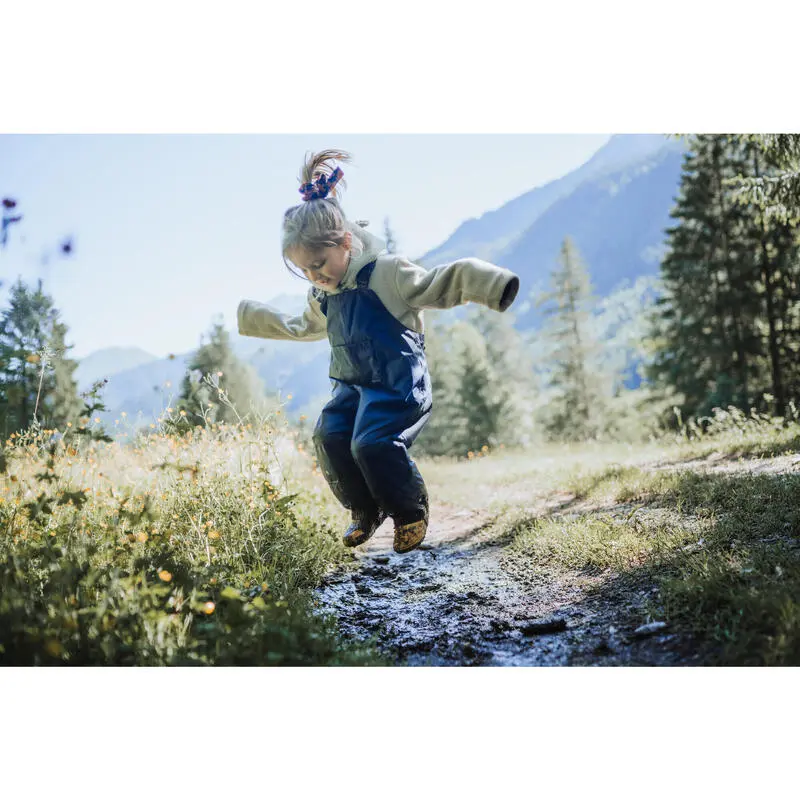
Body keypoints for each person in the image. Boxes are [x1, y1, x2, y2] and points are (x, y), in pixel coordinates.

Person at [237, 149, 520, 554]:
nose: (316, 276)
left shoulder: (386, 272)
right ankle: (365, 511)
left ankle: (409, 512)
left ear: (346, 242)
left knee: (371, 443)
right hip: (352, 387)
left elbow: (439, 283)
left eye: (320, 264)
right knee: (330, 436)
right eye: (306, 271)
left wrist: (493, 284)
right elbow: (303, 327)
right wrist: (253, 317)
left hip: (397, 383)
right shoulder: (323, 293)